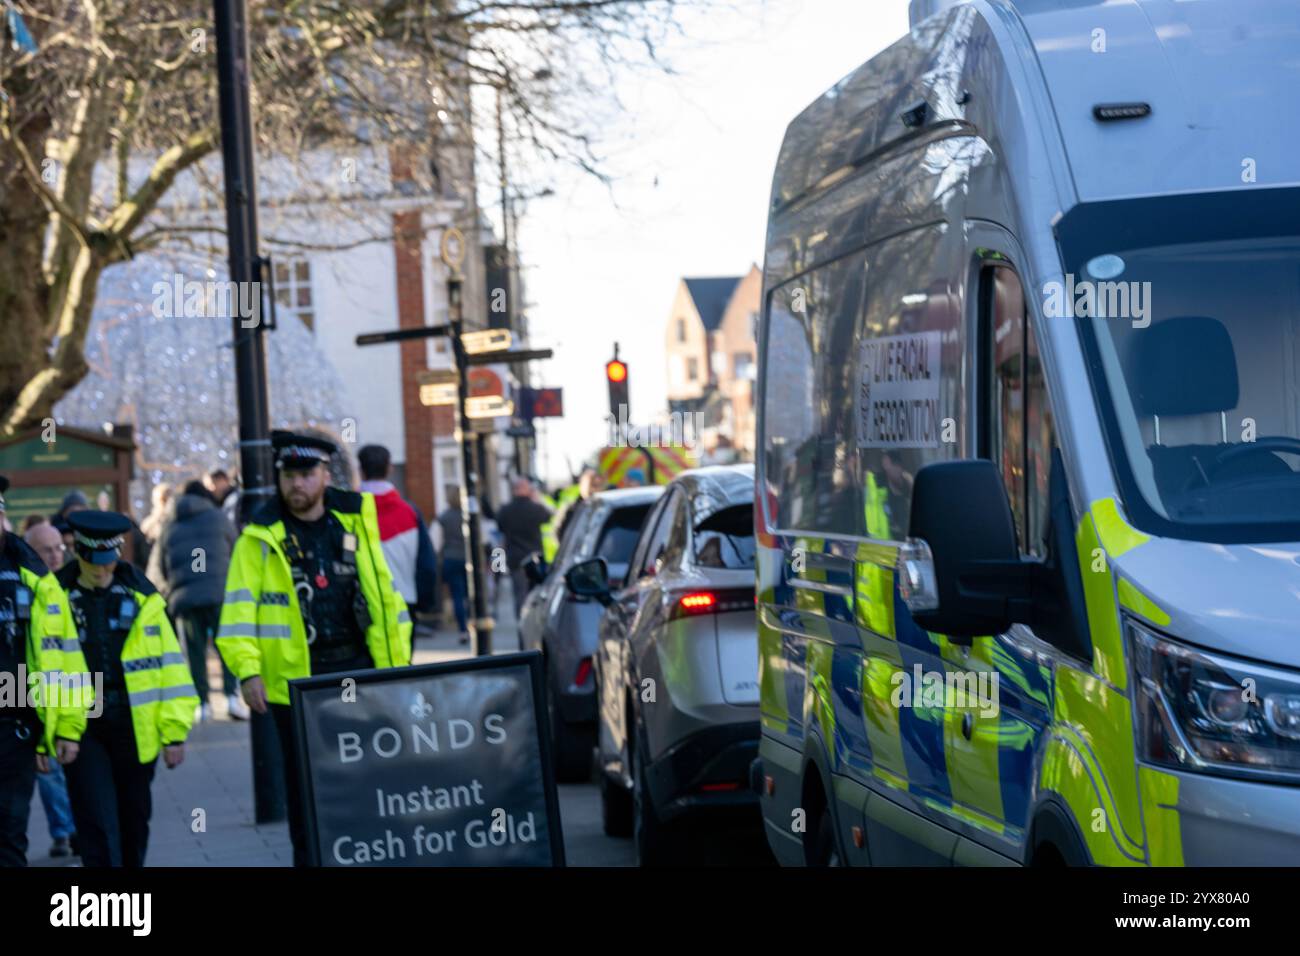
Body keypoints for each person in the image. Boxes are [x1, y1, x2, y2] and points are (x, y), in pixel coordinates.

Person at [217, 431, 413, 866]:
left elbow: (386, 600)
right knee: (307, 787)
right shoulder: (259, 538)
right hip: (296, 685)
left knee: (365, 779)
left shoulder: (355, 522)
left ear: (326, 475)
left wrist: (398, 668)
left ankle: (363, 857)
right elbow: (236, 616)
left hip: (358, 672)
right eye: (289, 476)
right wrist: (248, 672)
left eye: (306, 474)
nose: (297, 485)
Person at [56, 510, 194, 868]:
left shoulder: (143, 597)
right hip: (82, 725)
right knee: (97, 824)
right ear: (78, 553)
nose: (101, 571)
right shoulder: (54, 598)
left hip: (135, 725)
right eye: (93, 563)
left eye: (109, 562)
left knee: (134, 821)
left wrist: (174, 733)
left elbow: (171, 669)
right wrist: (49, 733)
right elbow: (42, 665)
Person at [0, 476, 90, 867]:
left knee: (8, 836)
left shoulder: (32, 576)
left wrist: (68, 726)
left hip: (13, 726)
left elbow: (66, 657)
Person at [151, 480, 244, 723]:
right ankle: (232, 697)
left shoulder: (170, 523)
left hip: (185, 598)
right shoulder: (218, 517)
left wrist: (173, 588)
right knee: (227, 647)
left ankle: (201, 704)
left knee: (193, 652)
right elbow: (235, 549)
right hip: (220, 593)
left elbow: (161, 563)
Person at [23, 521, 78, 857]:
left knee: (75, 766)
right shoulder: (25, 586)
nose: (57, 555)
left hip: (76, 687)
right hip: (34, 692)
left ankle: (77, 829)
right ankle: (65, 831)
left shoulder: (73, 581)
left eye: (60, 547)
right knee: (49, 770)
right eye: (48, 549)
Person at [356, 444, 437, 615]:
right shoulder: (409, 512)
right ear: (389, 469)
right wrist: (424, 601)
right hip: (404, 601)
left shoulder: (348, 512)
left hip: (362, 605)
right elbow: (427, 564)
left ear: (361, 471)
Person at [493, 476, 554, 621]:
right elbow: (550, 515)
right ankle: (533, 621)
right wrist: (536, 498)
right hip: (535, 557)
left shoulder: (506, 510)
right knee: (536, 593)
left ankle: (522, 621)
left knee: (519, 593)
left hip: (515, 557)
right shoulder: (535, 508)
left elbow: (500, 526)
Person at [434, 487, 469, 645]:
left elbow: (435, 543)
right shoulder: (469, 516)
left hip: (450, 559)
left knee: (457, 595)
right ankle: (471, 624)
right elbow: (486, 540)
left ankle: (463, 630)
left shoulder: (443, 517)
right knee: (469, 596)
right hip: (469, 560)